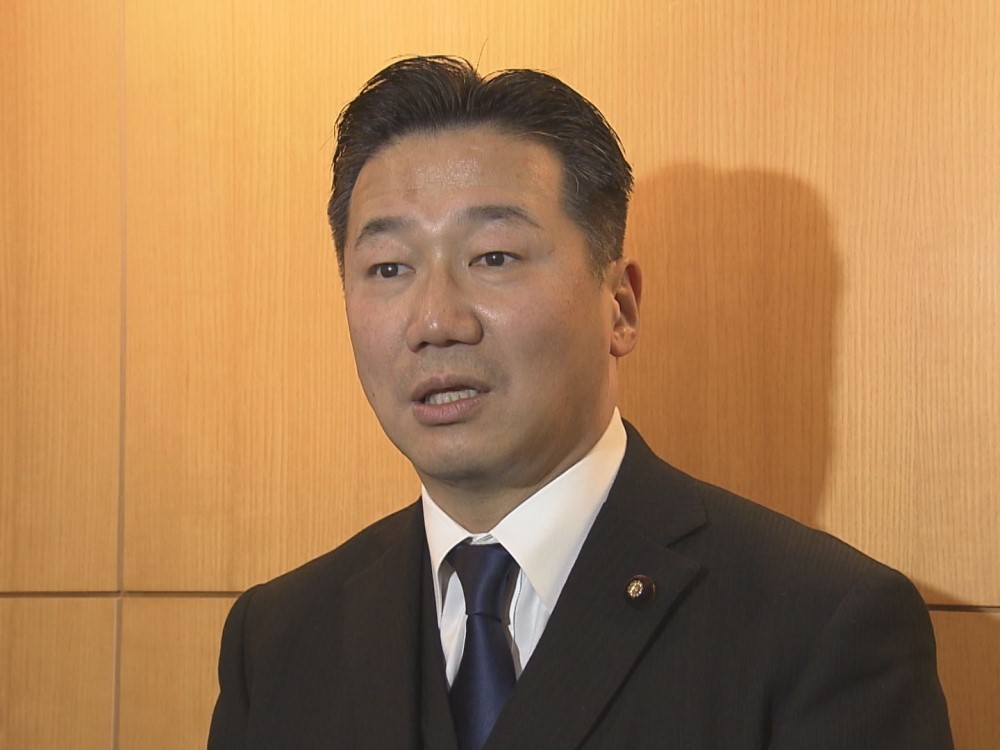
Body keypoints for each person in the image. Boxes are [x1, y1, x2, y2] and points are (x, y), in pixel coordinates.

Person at [209, 56, 952, 748]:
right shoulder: (276, 641)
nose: (434, 321)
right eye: (388, 267)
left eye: (493, 257)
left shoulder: (822, 627)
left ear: (620, 307)